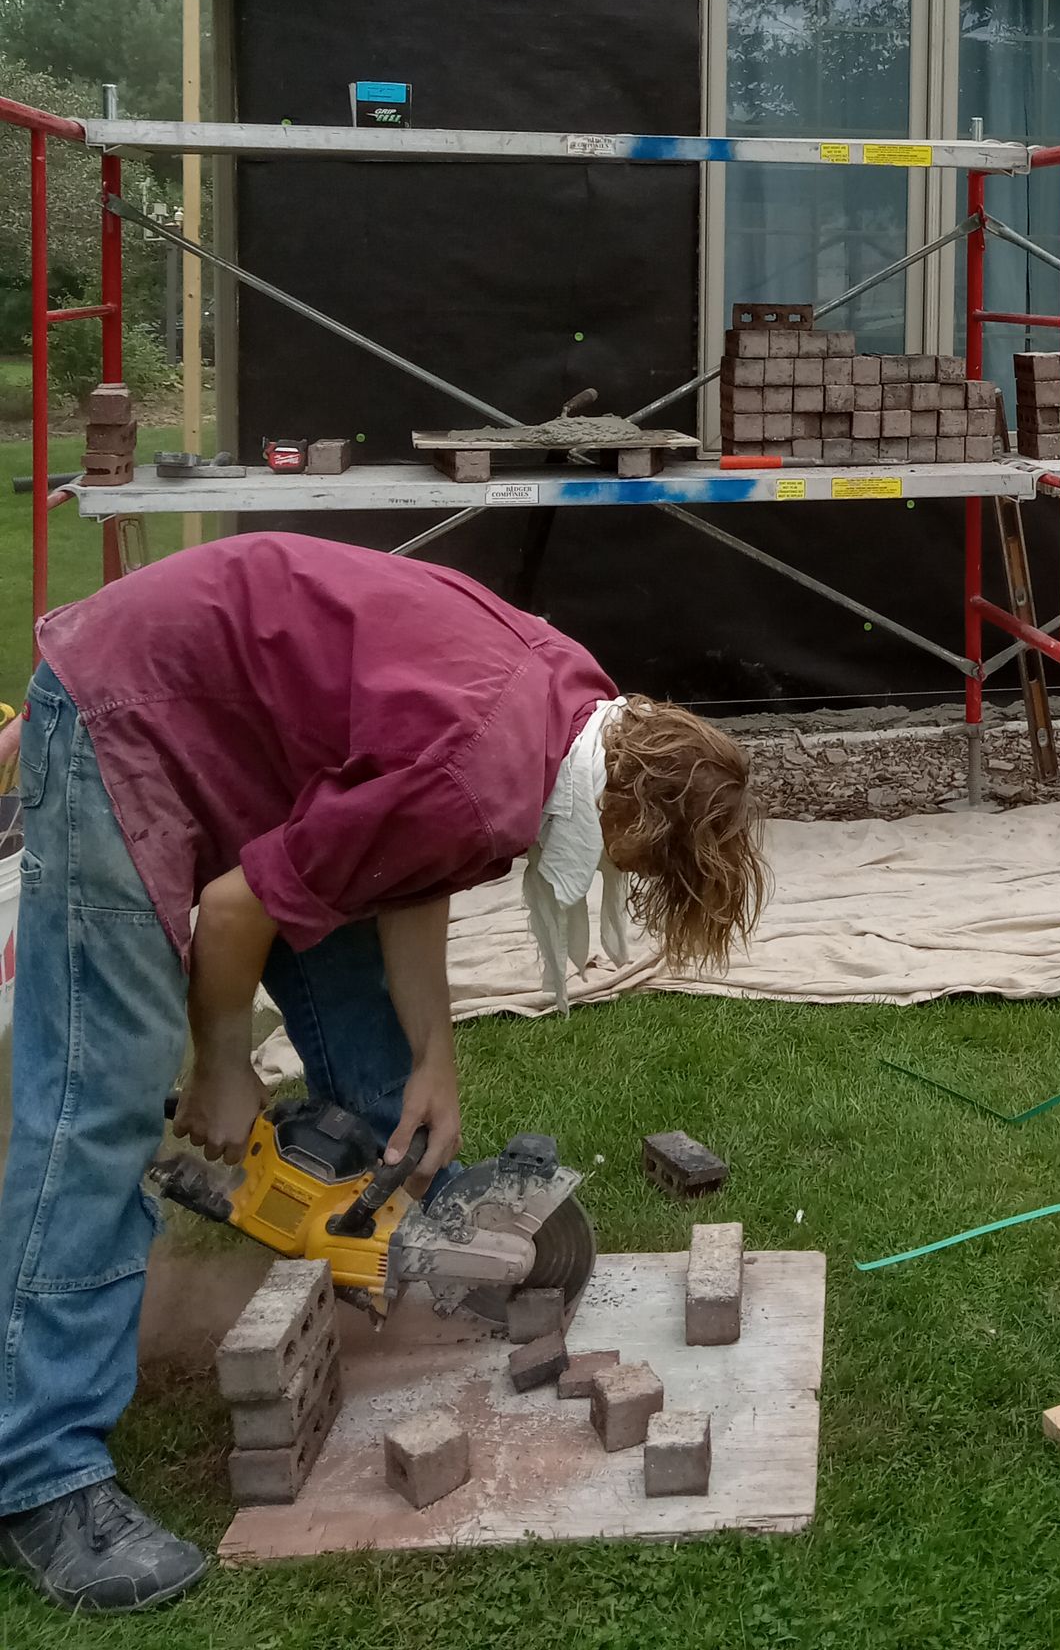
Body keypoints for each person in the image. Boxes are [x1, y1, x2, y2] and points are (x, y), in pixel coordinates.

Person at [0, 533, 764, 1614]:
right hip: (130, 711)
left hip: (256, 734)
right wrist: (222, 1063)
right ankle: (40, 1471)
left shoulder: (578, 706)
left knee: (376, 1046)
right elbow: (235, 908)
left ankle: (412, 1225)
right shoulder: (489, 773)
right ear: (629, 812)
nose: (630, 881)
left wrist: (434, 1058)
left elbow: (410, 857)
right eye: (646, 866)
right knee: (102, 1098)